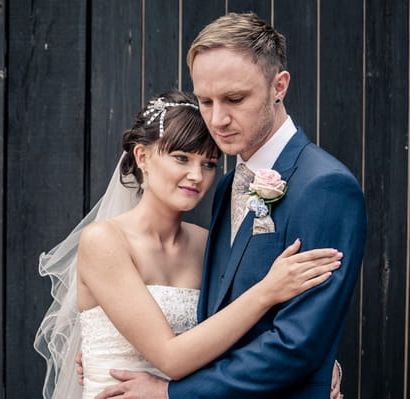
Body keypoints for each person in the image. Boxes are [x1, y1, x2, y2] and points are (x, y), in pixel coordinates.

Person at [94, 12, 366, 399]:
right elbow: (218, 314)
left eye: (235, 99)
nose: (218, 119)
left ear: (279, 86)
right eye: (205, 101)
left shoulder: (325, 186)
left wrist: (173, 393)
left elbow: (298, 343)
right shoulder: (226, 186)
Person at [35, 90, 344, 399]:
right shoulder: (104, 241)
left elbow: (244, 332)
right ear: (142, 157)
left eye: (208, 164)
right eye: (181, 158)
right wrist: (267, 291)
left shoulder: (207, 243)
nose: (196, 176)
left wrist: (317, 365)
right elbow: (171, 358)